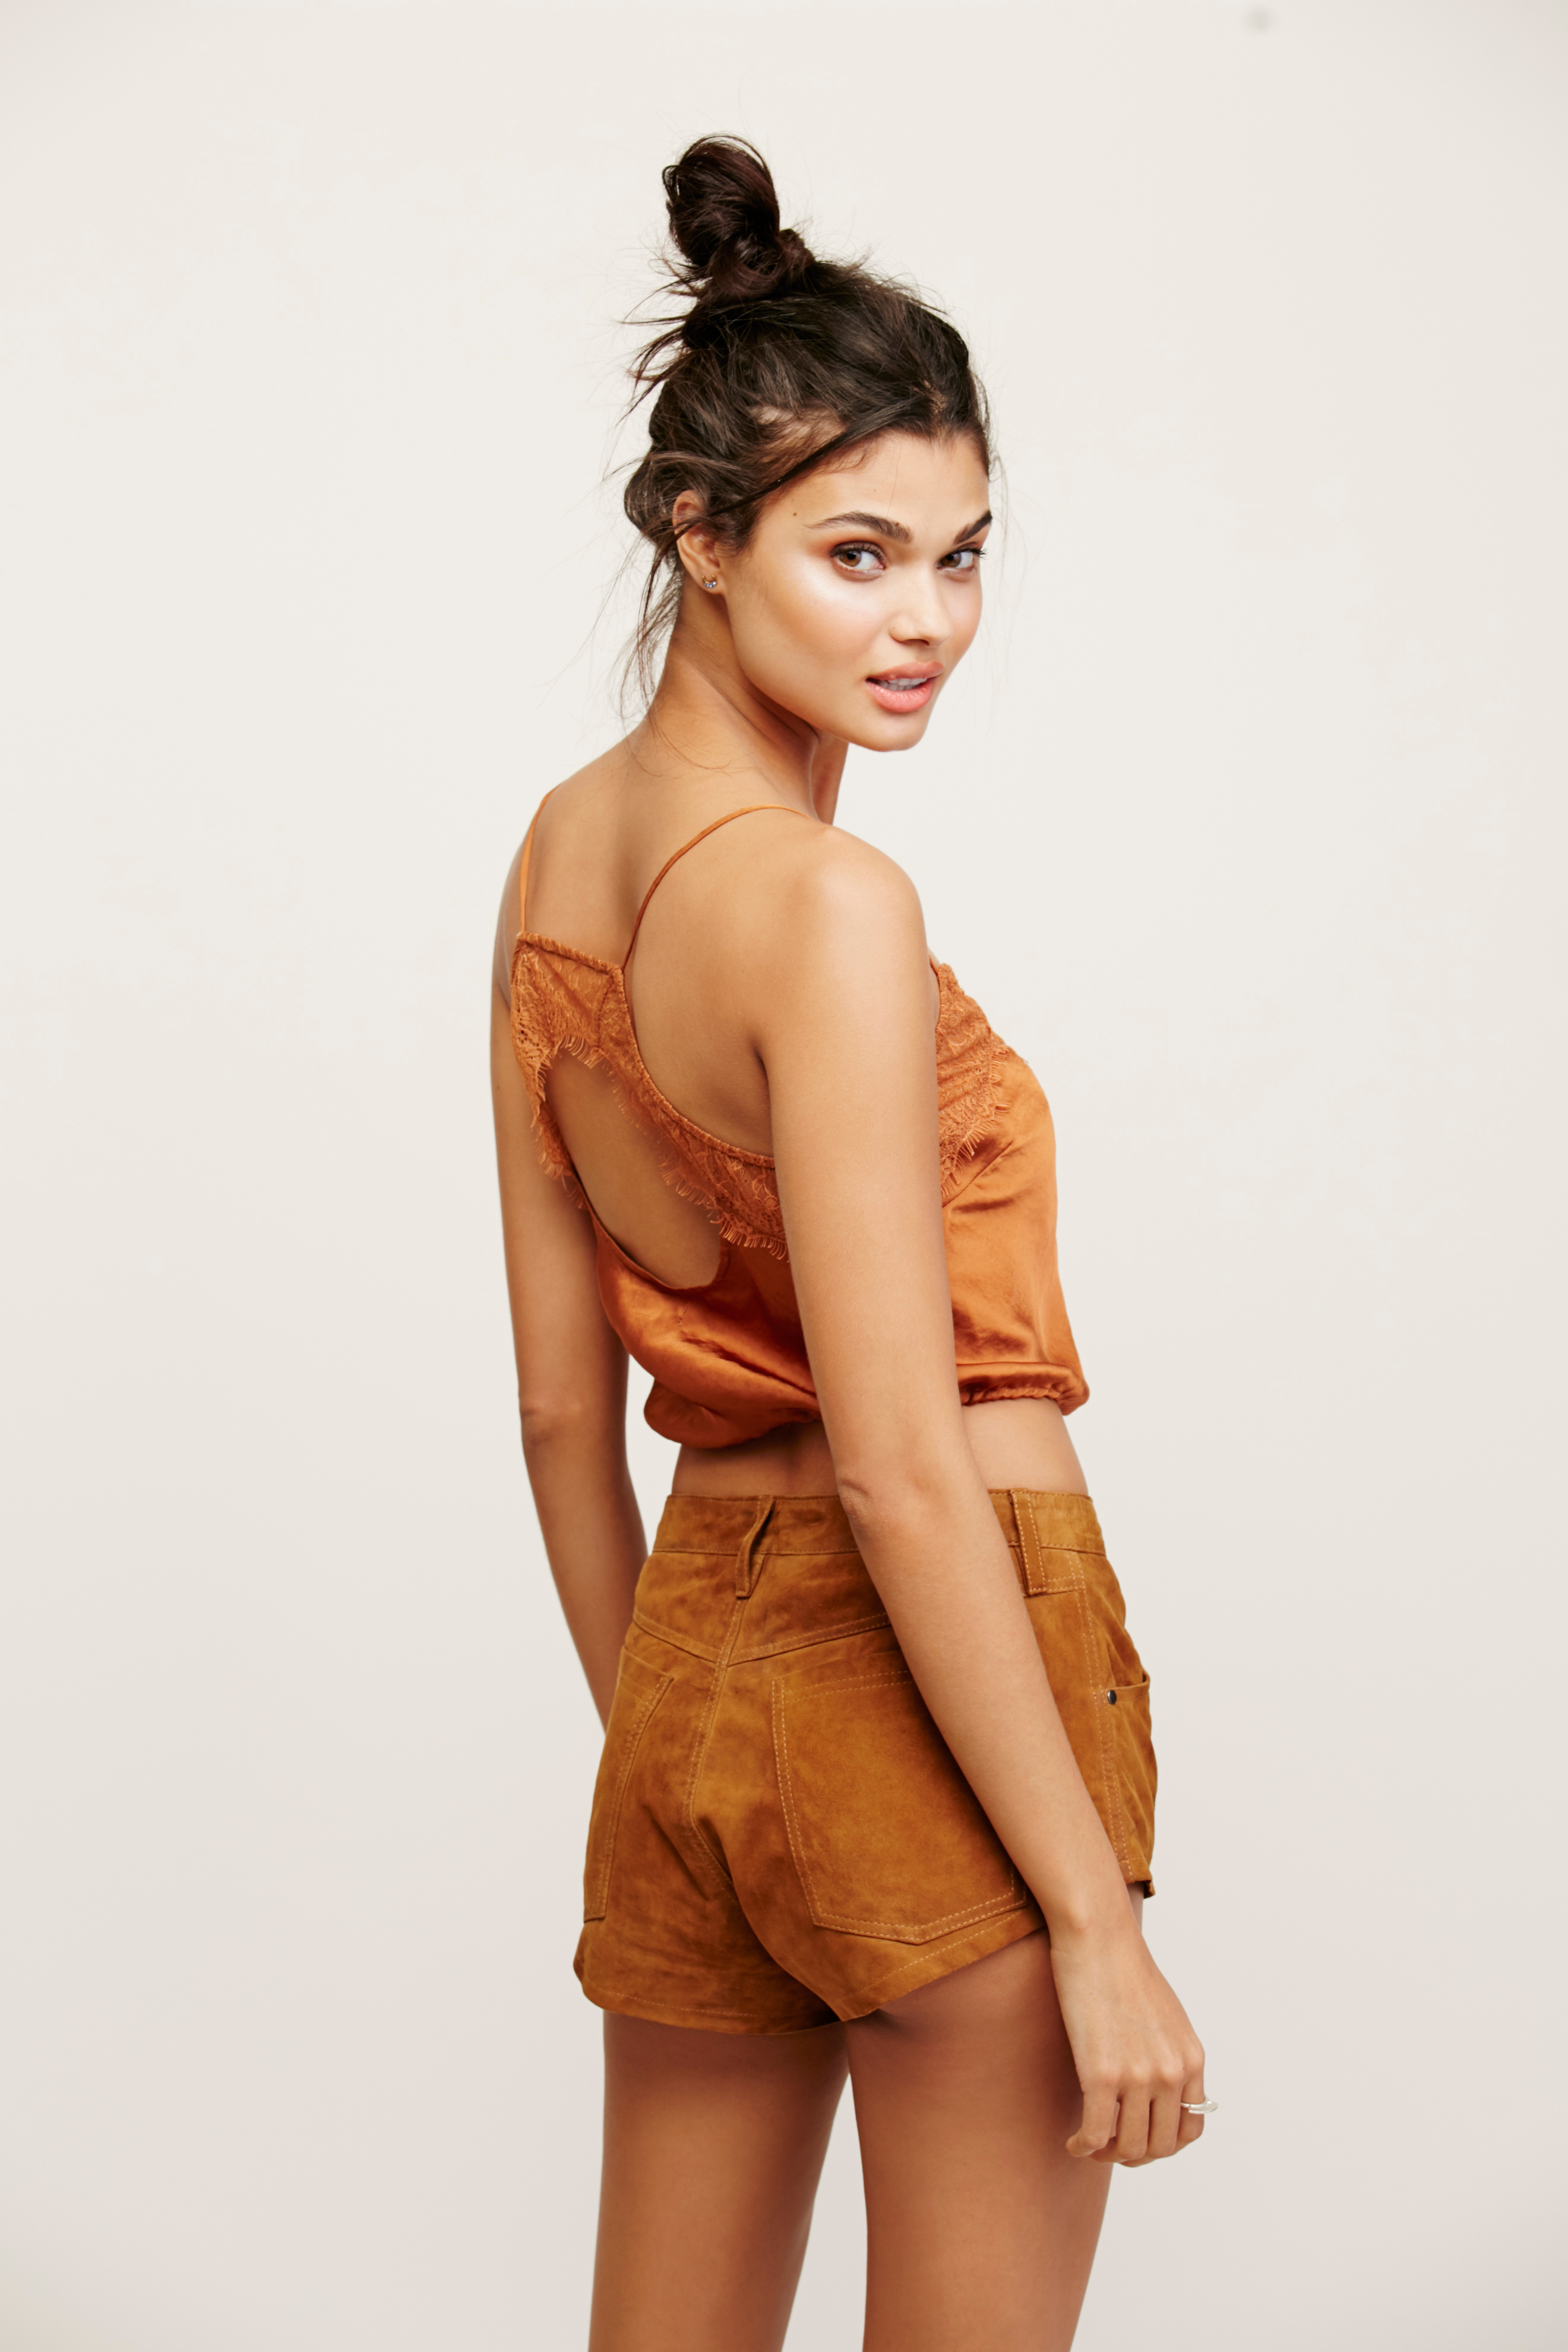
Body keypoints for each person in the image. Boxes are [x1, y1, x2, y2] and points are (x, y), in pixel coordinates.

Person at [490, 136, 1209, 2352]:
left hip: (688, 1670)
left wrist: (688, 1761)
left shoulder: (553, 859)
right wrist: (1092, 1923)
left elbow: (557, 1417)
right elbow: (901, 1467)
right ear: (699, 536)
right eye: (858, 553)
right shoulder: (826, 903)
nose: (926, 623)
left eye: (962, 557)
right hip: (935, 1679)